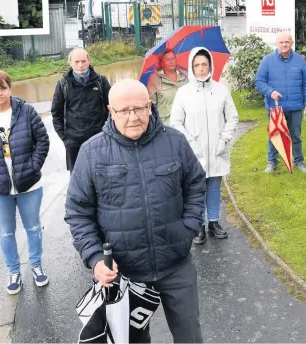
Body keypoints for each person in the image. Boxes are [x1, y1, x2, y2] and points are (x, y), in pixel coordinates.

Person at [65, 79, 206, 343]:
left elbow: (196, 183)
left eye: (140, 109)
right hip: (125, 274)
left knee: (190, 337)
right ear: (111, 111)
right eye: (124, 111)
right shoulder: (92, 152)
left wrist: (189, 227)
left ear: (150, 107)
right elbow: (78, 212)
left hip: (176, 264)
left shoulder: (174, 142)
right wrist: (95, 258)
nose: (133, 117)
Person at [0, 70, 50, 295]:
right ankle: (13, 271)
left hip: (28, 185)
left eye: (3, 87)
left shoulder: (26, 111)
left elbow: (42, 140)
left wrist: (33, 167)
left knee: (33, 227)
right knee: (6, 232)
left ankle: (36, 266)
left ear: (10, 88)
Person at [171, 47, 239, 244]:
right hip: (194, 152)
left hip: (216, 150)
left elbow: (232, 117)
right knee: (196, 189)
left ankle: (214, 222)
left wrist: (224, 138)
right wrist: (190, 141)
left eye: (204, 64)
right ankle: (198, 224)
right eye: (197, 65)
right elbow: (176, 122)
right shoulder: (183, 93)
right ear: (192, 68)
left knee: (214, 187)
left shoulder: (221, 91)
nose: (201, 69)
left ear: (210, 65)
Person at [255, 32, 306, 174]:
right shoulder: (267, 61)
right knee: (274, 135)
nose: (284, 45)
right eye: (281, 42)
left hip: (295, 107)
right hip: (275, 107)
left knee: (296, 136)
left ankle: (298, 162)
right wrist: (270, 92)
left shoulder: (300, 60)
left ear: (292, 43)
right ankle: (271, 162)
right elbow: (259, 81)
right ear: (277, 44)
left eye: (287, 42)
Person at [51, 47, 111, 173]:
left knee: (102, 176)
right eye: (77, 62)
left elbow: (113, 108)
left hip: (100, 139)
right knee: (78, 179)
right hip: (74, 142)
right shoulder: (63, 84)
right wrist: (65, 138)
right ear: (70, 63)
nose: (80, 65)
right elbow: (56, 113)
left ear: (89, 61)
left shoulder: (101, 81)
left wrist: (108, 132)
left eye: (83, 61)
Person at [147, 49, 188, 125]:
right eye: (167, 59)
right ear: (161, 63)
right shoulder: (154, 79)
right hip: (166, 124)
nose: (171, 61)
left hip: (186, 121)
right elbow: (151, 106)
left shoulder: (186, 75)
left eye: (173, 58)